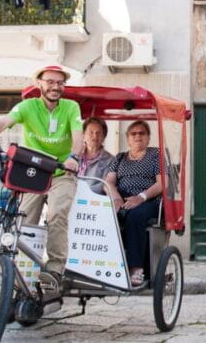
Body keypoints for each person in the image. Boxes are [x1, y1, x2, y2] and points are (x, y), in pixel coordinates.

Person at [0, 65, 83, 295]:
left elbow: (78, 136)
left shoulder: (71, 107)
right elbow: (4, 122)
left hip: (61, 172)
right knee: (25, 221)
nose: (55, 87)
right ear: (39, 83)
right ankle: (24, 275)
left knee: (56, 215)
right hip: (34, 172)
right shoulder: (28, 106)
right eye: (50, 81)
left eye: (60, 83)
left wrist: (73, 157)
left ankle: (54, 271)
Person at [105, 120, 162, 286]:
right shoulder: (120, 157)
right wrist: (116, 197)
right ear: (128, 138)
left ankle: (136, 268)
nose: (138, 136)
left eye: (142, 133)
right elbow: (108, 182)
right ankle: (108, 265)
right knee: (103, 216)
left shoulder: (155, 155)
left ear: (148, 137)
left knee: (135, 216)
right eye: (133, 134)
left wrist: (141, 197)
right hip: (123, 200)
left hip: (149, 200)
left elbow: (161, 184)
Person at [79, 116, 114, 194]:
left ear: (104, 137)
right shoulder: (74, 156)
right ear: (84, 134)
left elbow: (105, 185)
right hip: (69, 197)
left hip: (93, 200)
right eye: (91, 132)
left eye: (98, 133)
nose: (94, 136)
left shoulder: (111, 160)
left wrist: (82, 193)